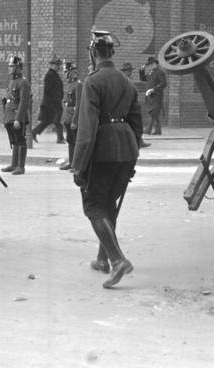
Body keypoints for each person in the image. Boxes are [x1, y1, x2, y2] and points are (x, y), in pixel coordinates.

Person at [72, 29, 143, 289]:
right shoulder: (127, 82)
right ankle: (102, 259)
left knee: (92, 206)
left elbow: (87, 130)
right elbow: (138, 126)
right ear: (111, 52)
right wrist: (132, 161)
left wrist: (78, 166)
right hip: (125, 150)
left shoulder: (92, 82)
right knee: (108, 205)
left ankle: (117, 259)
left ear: (93, 52)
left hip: (102, 150)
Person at [2, 55, 31, 175]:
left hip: (17, 117)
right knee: (14, 140)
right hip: (10, 116)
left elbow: (24, 102)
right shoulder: (12, 81)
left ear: (18, 67)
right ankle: (14, 164)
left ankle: (21, 166)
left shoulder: (23, 82)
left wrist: (18, 119)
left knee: (20, 140)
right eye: (9, 66)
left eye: (12, 66)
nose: (9, 68)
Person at [31, 56, 65, 144]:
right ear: (52, 65)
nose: (58, 67)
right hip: (51, 103)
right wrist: (56, 99)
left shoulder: (54, 74)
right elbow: (48, 90)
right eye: (57, 65)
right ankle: (60, 138)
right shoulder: (49, 75)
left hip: (54, 102)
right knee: (56, 121)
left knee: (48, 121)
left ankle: (34, 132)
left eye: (58, 65)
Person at [59, 61, 82, 171]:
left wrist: (75, 120)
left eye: (67, 72)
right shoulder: (69, 84)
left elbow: (78, 104)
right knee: (70, 140)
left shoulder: (78, 85)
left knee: (75, 141)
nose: (66, 75)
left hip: (73, 116)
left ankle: (76, 164)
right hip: (68, 115)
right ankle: (72, 162)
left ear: (73, 72)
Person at [139, 55, 167, 135]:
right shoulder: (151, 72)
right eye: (149, 65)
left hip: (156, 96)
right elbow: (143, 79)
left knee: (152, 112)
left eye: (151, 64)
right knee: (154, 113)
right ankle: (158, 131)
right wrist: (141, 70)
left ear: (155, 64)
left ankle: (148, 129)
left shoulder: (159, 72)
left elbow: (164, 83)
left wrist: (153, 90)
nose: (150, 66)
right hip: (150, 96)